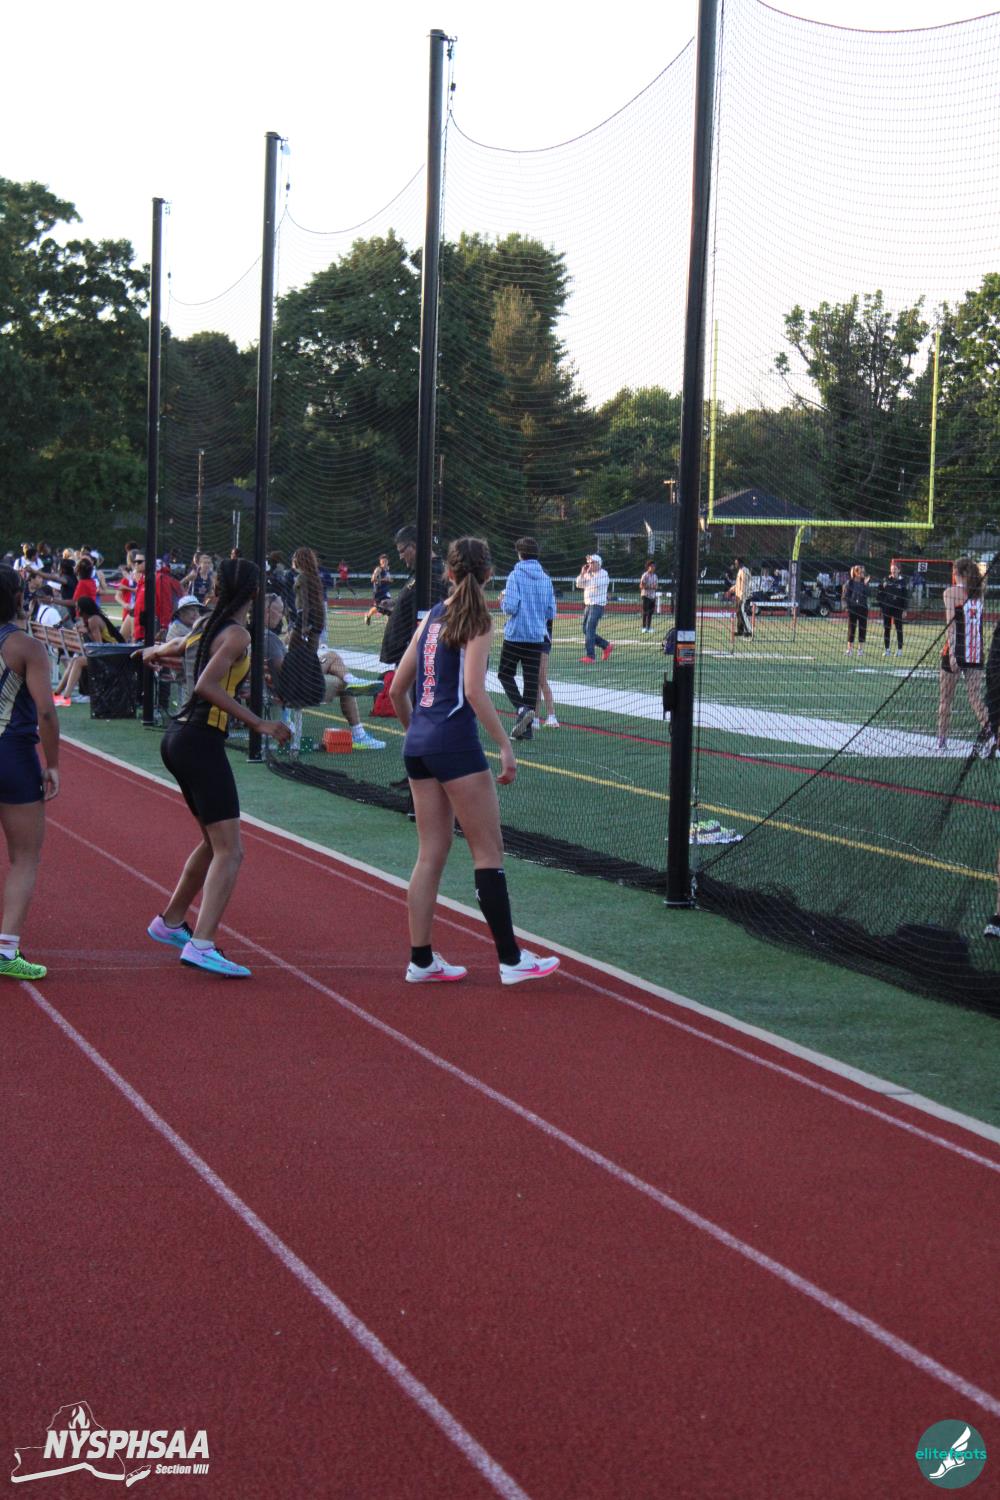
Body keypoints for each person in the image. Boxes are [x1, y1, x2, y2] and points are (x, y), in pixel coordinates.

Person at [389, 536, 559, 986]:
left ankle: (421, 960)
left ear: (448, 572)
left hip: (420, 744)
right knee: (488, 851)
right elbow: (473, 691)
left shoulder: (431, 617)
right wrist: (505, 744)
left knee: (430, 854)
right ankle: (511, 959)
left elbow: (397, 689)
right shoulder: (477, 620)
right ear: (488, 574)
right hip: (454, 743)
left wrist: (417, 734)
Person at [140, 559, 291, 977]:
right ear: (255, 594)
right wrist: (259, 722)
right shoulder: (238, 633)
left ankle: (171, 922)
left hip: (179, 737)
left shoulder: (207, 623)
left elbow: (179, 646)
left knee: (212, 842)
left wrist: (153, 651)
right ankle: (202, 945)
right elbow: (206, 685)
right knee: (231, 851)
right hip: (199, 740)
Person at [0, 566, 60, 980]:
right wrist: (52, 764)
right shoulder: (26, 647)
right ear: (19, 598)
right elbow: (46, 712)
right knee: (24, 857)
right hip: (13, 756)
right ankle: (5, 950)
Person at [497, 537, 557, 742]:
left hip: (515, 635)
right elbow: (551, 611)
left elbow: (510, 607)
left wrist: (502, 601)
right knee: (531, 681)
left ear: (520, 554)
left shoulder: (515, 575)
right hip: (537, 637)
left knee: (505, 674)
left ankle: (521, 709)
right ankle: (527, 730)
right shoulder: (545, 579)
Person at [936, 557, 990, 751]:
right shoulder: (979, 594)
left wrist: (952, 653)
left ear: (955, 573)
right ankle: (993, 735)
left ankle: (942, 741)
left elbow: (951, 626)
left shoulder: (950, 593)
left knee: (945, 699)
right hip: (975, 653)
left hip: (957, 651)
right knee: (975, 698)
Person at [379, 525, 448, 668]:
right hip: (409, 658)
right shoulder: (423, 571)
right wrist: (396, 604)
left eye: (402, 551)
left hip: (416, 662)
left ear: (414, 546)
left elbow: (432, 619)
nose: (400, 556)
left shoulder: (433, 574)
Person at [53, 595, 122, 705]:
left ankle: (66, 696)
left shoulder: (93, 620)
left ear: (83, 609)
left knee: (78, 661)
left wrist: (86, 632)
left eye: (77, 607)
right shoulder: (90, 619)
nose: (76, 610)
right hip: (108, 652)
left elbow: (99, 645)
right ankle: (57, 693)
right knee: (74, 660)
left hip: (112, 655)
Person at [575, 553, 613, 663]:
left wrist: (589, 574)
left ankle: (590, 656)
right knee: (585, 630)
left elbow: (597, 584)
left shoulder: (604, 574)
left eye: (592, 563)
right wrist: (582, 574)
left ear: (598, 563)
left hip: (597, 605)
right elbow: (579, 584)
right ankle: (606, 645)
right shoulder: (588, 574)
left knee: (589, 629)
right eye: (589, 563)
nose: (590, 565)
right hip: (588, 605)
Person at [877, 560, 909, 655]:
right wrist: (882, 606)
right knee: (887, 629)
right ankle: (887, 650)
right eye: (892, 569)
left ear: (899, 570)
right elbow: (880, 593)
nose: (893, 571)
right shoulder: (886, 579)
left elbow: (905, 597)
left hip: (898, 609)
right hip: (887, 608)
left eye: (895, 569)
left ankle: (899, 650)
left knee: (899, 629)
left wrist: (904, 609)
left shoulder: (903, 582)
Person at [842, 565, 869, 656]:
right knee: (851, 629)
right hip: (852, 609)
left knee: (862, 629)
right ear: (856, 573)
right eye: (861, 572)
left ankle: (860, 650)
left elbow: (868, 594)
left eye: (863, 572)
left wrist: (865, 585)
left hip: (863, 608)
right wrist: (846, 607)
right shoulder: (849, 583)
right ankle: (849, 650)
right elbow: (844, 596)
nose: (863, 574)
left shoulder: (864, 582)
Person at [725, 556, 753, 638]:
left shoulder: (744, 571)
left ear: (740, 563)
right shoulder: (740, 571)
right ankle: (740, 631)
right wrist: (731, 590)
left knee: (743, 613)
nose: (735, 565)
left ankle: (749, 631)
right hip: (738, 595)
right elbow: (738, 584)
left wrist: (741, 596)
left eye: (736, 563)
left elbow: (744, 585)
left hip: (743, 596)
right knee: (738, 613)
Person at [365, 555, 393, 625]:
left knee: (388, 608)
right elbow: (372, 579)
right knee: (379, 608)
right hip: (378, 593)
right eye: (383, 561)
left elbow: (389, 580)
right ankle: (368, 616)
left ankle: (388, 625)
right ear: (380, 562)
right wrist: (383, 579)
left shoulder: (387, 570)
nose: (384, 563)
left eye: (385, 561)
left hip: (385, 592)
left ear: (388, 561)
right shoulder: (378, 569)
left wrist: (389, 580)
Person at [639, 560, 658, 633]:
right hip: (646, 595)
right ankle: (644, 628)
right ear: (648, 567)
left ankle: (649, 627)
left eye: (654, 566)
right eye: (652, 566)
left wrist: (654, 587)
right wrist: (650, 587)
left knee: (650, 613)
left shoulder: (655, 576)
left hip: (652, 596)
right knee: (645, 612)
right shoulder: (645, 575)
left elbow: (656, 586)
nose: (653, 568)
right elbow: (641, 586)